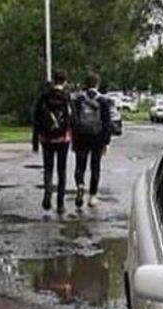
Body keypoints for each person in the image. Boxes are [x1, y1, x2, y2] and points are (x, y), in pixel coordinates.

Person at [32, 69, 73, 214]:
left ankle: (47, 193)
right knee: (62, 170)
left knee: (48, 168)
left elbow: (36, 119)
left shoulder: (44, 97)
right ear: (65, 81)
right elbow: (71, 119)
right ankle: (60, 204)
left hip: (46, 138)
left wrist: (35, 141)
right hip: (63, 139)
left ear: (54, 80)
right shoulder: (67, 97)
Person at [71, 72, 112, 209]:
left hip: (81, 137)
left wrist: (74, 138)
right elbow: (107, 123)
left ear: (85, 84)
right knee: (95, 166)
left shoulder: (78, 100)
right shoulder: (103, 101)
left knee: (80, 165)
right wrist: (106, 142)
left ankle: (80, 184)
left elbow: (74, 121)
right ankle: (93, 196)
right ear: (97, 84)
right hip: (97, 138)